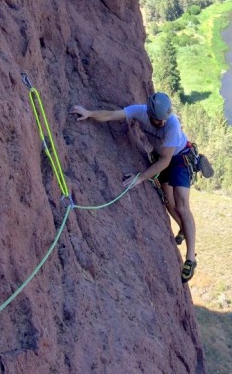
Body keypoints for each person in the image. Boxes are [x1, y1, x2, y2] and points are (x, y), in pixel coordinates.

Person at [70, 92, 198, 283]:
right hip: (164, 157)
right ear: (151, 114)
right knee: (168, 203)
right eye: (158, 120)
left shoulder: (172, 125)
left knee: (181, 205)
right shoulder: (140, 111)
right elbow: (112, 115)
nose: (162, 123)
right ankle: (182, 229)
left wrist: (140, 178)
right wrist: (89, 113)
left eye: (164, 119)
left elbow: (165, 161)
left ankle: (191, 258)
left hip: (179, 157)